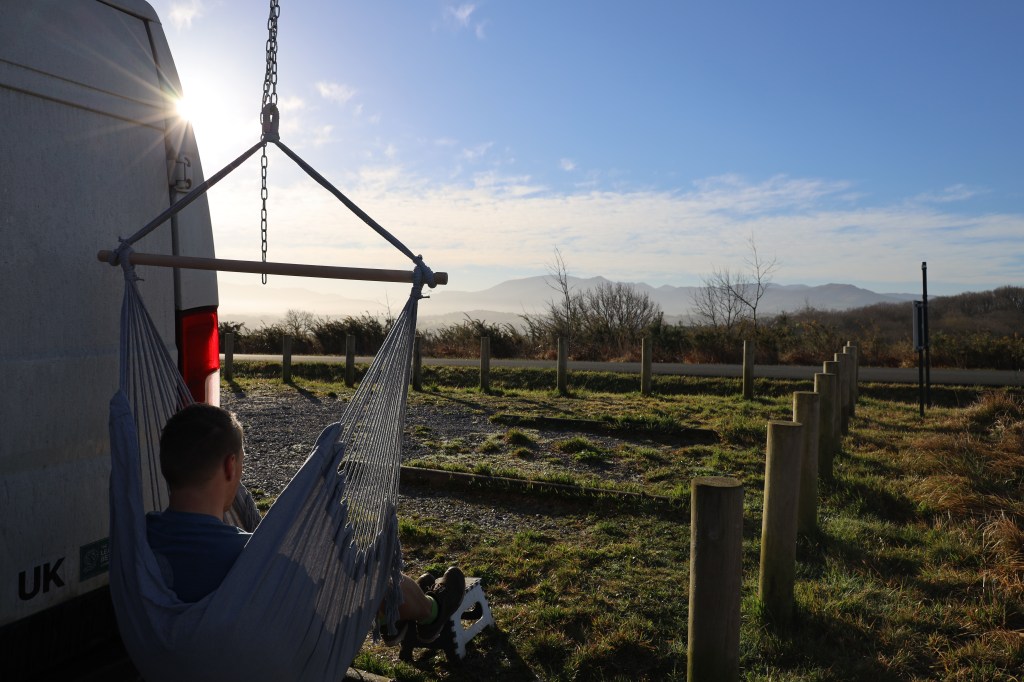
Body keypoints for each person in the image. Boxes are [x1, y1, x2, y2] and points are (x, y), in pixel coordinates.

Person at [146, 402, 464, 643]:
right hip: (269, 654)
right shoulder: (252, 557)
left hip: (175, 659)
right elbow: (346, 588)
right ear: (231, 467)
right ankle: (430, 610)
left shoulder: (139, 544)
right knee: (368, 579)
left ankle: (398, 613)